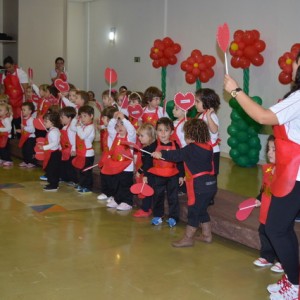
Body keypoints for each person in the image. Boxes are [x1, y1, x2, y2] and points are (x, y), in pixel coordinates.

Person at [224, 52, 300, 299]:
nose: (293, 66)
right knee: (282, 227)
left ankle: (296, 284)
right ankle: (292, 278)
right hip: (292, 170)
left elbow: (263, 116)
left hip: (296, 174)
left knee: (277, 228)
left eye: (296, 62)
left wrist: (236, 91)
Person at [152, 119, 217, 246]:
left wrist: (161, 153)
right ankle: (207, 235)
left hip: (199, 185)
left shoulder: (191, 148)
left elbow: (176, 155)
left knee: (193, 212)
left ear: (190, 135)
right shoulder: (208, 147)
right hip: (211, 185)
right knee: (202, 209)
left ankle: (187, 238)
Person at [253, 135, 283, 274]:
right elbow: (264, 187)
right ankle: (267, 257)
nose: (269, 152)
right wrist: (259, 197)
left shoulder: (286, 172)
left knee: (278, 235)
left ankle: (282, 261)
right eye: (269, 149)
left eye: (274, 149)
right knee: (263, 231)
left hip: (279, 212)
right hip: (266, 210)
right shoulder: (268, 169)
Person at [148, 117, 184, 227]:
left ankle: (173, 217)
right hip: (157, 175)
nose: (163, 133)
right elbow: (147, 161)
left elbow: (180, 160)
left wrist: (181, 175)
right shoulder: (153, 145)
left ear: (172, 132)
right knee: (157, 196)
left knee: (173, 197)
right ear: (156, 131)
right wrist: (145, 174)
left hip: (173, 175)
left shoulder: (176, 145)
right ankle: (158, 216)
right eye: (160, 130)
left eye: (166, 130)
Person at [102, 111, 136, 211]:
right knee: (116, 183)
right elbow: (110, 127)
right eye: (117, 125)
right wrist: (114, 118)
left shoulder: (130, 137)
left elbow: (132, 130)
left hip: (127, 166)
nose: (119, 127)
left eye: (122, 124)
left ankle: (127, 202)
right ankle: (117, 199)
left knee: (125, 184)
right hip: (116, 165)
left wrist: (124, 119)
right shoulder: (114, 136)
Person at [1, 56, 29, 139]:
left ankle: (20, 140)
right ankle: (10, 140)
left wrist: (26, 103)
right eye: (6, 68)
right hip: (8, 103)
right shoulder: (5, 74)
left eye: (9, 67)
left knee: (18, 123)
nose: (8, 69)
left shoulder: (21, 73)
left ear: (14, 65)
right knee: (8, 123)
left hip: (19, 102)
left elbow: (25, 89)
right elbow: (3, 88)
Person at [133, 123, 156, 217]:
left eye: (142, 136)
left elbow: (148, 163)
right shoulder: (147, 147)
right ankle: (146, 208)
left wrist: (141, 172)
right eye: (139, 135)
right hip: (149, 172)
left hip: (151, 173)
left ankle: (146, 209)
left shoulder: (149, 148)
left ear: (150, 136)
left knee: (147, 191)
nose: (139, 138)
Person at [96, 105, 119, 202]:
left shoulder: (113, 130)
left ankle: (112, 194)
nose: (102, 119)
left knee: (111, 177)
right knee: (103, 174)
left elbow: (109, 126)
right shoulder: (106, 127)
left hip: (112, 156)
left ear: (110, 120)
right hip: (105, 154)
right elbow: (101, 126)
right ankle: (105, 192)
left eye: (104, 117)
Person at [73, 105, 95, 194]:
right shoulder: (83, 126)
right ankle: (82, 184)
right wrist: (76, 120)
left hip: (88, 153)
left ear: (91, 116)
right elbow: (73, 129)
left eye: (85, 116)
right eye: (81, 116)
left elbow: (82, 136)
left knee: (86, 171)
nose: (82, 118)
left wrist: (78, 127)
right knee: (80, 170)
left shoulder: (90, 127)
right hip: (81, 152)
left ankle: (88, 187)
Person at [40, 111, 62, 191]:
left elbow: (55, 143)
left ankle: (54, 185)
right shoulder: (53, 130)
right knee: (50, 169)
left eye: (46, 121)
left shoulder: (54, 132)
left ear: (52, 122)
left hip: (54, 154)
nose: (44, 122)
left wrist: (44, 147)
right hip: (52, 153)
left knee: (53, 170)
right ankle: (52, 183)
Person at [59, 106, 78, 186]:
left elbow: (74, 141)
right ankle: (65, 178)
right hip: (65, 150)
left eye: (62, 117)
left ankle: (73, 180)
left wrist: (73, 150)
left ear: (69, 118)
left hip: (70, 151)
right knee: (65, 165)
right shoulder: (64, 127)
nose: (60, 118)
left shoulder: (71, 129)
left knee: (71, 167)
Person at [17, 102, 36, 168]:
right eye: (22, 109)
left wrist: (24, 127)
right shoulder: (24, 119)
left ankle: (32, 162)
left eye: (24, 110)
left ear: (30, 111)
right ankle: (26, 161)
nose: (22, 111)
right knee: (24, 150)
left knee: (29, 150)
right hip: (25, 137)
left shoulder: (31, 119)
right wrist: (21, 130)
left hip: (30, 138)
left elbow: (32, 129)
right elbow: (25, 130)